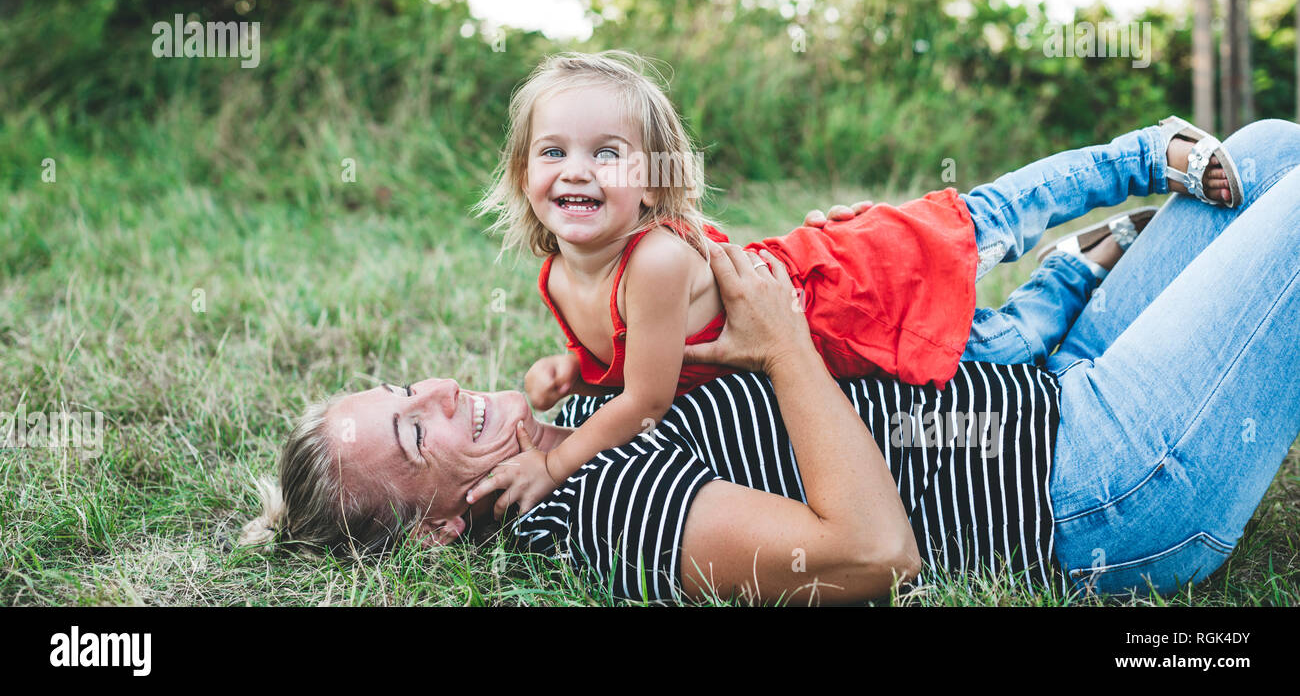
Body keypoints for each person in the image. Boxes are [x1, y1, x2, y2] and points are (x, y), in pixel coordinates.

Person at [239, 117, 1300, 605]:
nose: (432, 388)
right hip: (1101, 490)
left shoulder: (584, 404)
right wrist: (783, 341)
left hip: (1052, 390)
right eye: (415, 429)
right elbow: (876, 555)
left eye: (400, 388)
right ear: (441, 523)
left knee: (1260, 154)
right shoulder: (607, 509)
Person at [470, 50, 1240, 513]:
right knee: (1000, 353)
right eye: (553, 152)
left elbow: (645, 395)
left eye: (607, 153)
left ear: (654, 179)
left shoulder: (655, 261)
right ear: (521, 169)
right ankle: (1078, 265)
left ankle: (1141, 153)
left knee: (995, 217)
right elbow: (637, 354)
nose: (576, 170)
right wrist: (575, 368)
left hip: (848, 285)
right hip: (839, 348)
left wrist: (555, 459)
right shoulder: (559, 271)